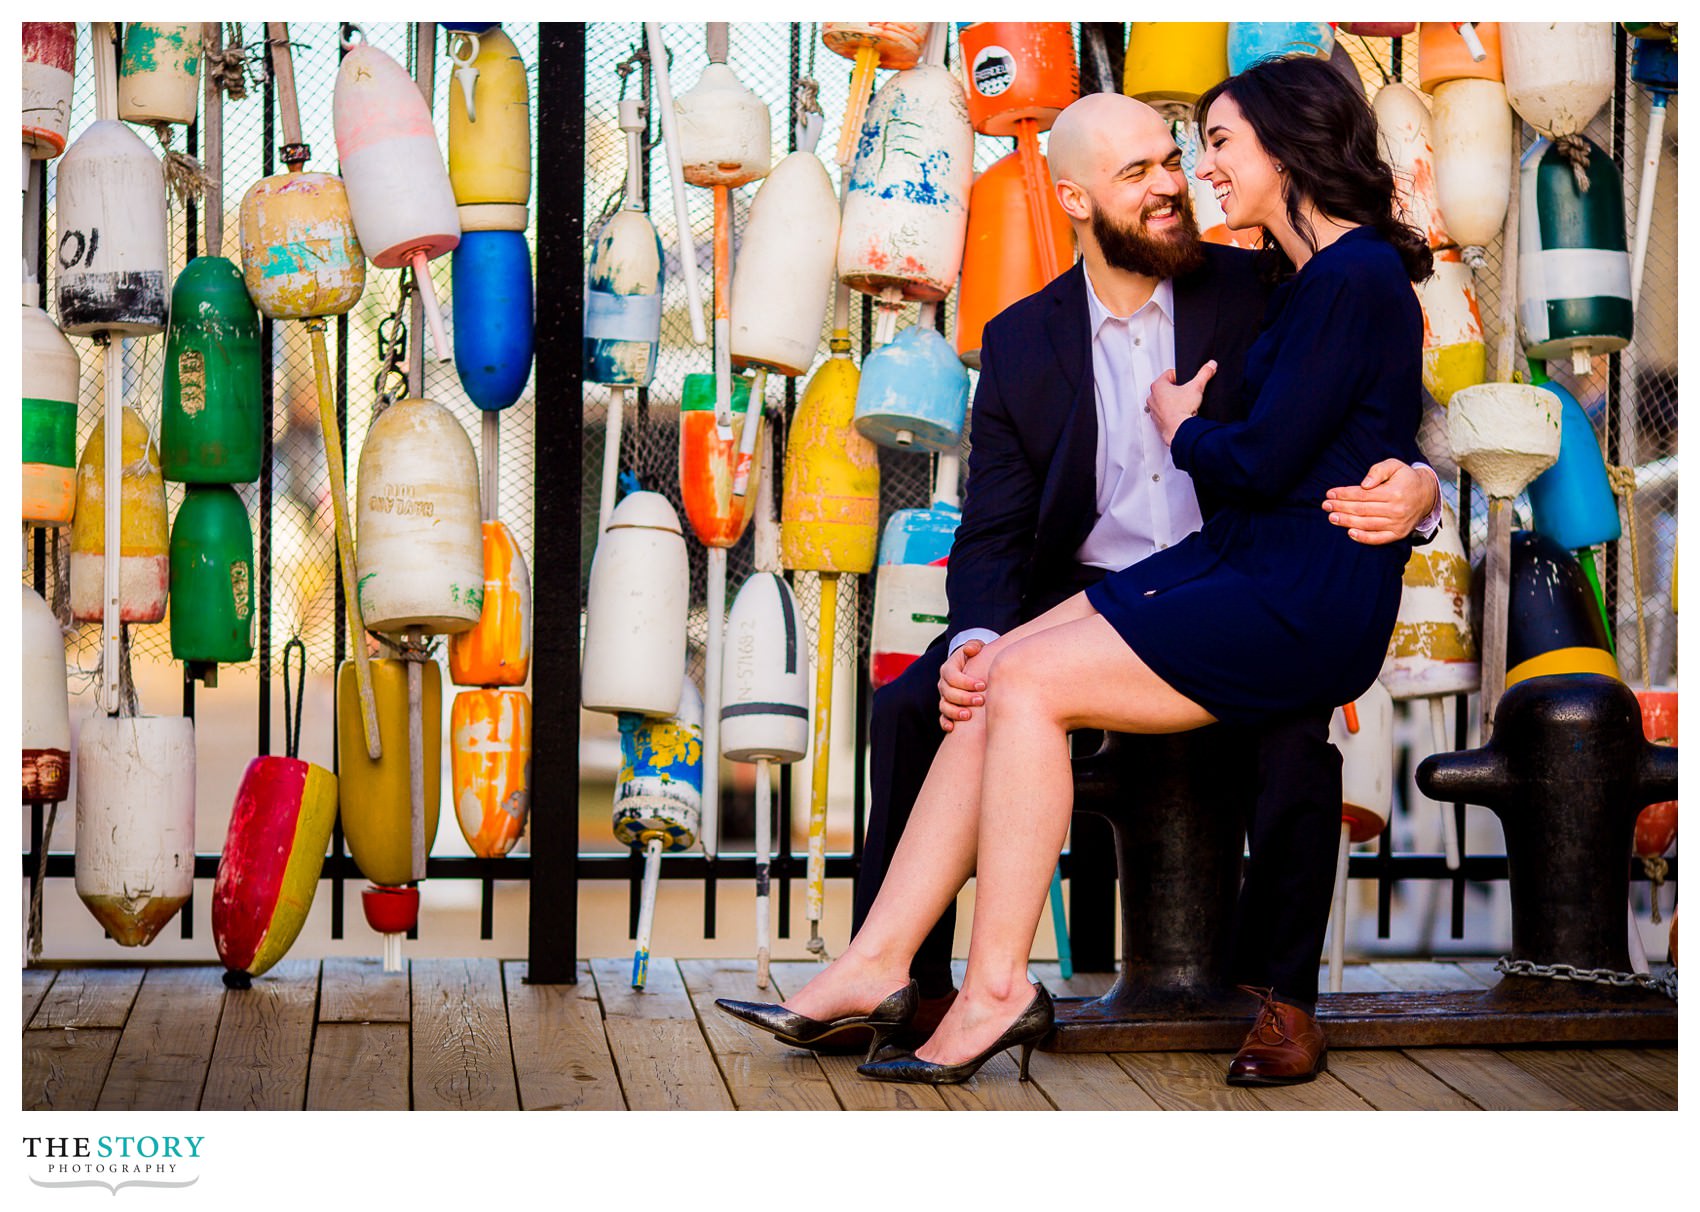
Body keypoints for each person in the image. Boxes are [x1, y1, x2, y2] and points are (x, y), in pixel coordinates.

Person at [719, 56, 1435, 1085]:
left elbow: (1374, 414)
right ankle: (883, 971)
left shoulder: (1270, 278)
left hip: (1253, 582)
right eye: (1142, 167)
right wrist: (971, 631)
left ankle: (1234, 995)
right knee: (959, 686)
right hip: (1155, 579)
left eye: (1185, 156)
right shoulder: (1019, 341)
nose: (1176, 181)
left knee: (1073, 693)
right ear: (1072, 198)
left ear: (1281, 151)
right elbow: (996, 528)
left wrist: (1418, 486)